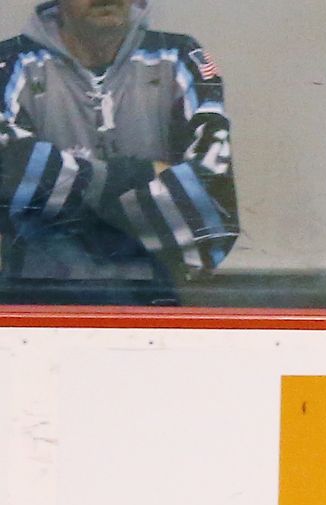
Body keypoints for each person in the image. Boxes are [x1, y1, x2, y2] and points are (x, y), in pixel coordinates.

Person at [0, 0, 238, 304]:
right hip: (33, 304)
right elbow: (8, 180)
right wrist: (141, 177)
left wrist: (52, 207)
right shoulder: (8, 63)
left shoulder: (181, 58)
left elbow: (212, 211)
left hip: (152, 302)